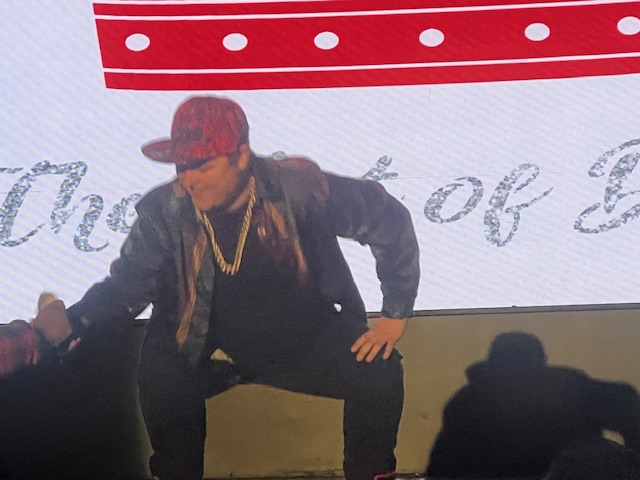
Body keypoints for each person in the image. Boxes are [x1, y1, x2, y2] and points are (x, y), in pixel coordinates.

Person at [58, 95, 420, 480]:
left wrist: (395, 313)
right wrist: (74, 322)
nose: (189, 179)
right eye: (182, 166)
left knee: (379, 371)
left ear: (242, 156)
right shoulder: (164, 209)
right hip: (198, 338)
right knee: (162, 371)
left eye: (203, 165)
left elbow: (388, 219)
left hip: (296, 333)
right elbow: (128, 284)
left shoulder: (298, 187)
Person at [425, 331, 640, 479]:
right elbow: (626, 401)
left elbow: (442, 464)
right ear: (541, 360)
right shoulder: (571, 388)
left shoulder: (468, 401)